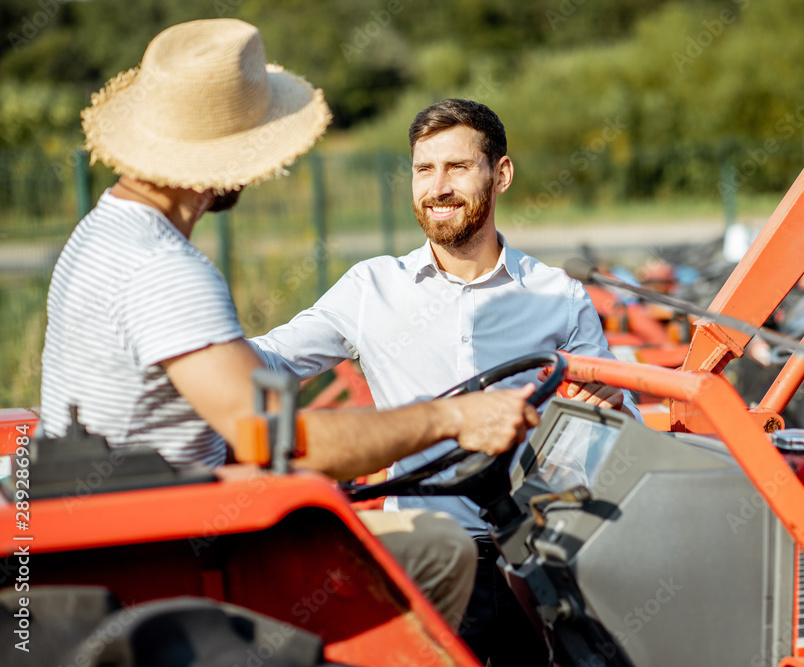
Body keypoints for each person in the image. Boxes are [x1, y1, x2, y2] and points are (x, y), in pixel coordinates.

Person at [38, 21, 541, 630]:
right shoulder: (166, 270)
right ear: (229, 160)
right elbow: (279, 441)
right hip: (180, 554)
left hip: (130, 523)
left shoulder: (100, 232)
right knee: (443, 549)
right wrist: (453, 417)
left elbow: (240, 389)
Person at [250, 98, 638, 665]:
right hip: (431, 554)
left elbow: (614, 430)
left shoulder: (558, 295)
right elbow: (267, 362)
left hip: (540, 549)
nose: (438, 187)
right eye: (423, 170)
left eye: (457, 167)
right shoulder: (372, 288)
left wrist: (611, 404)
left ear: (500, 174)